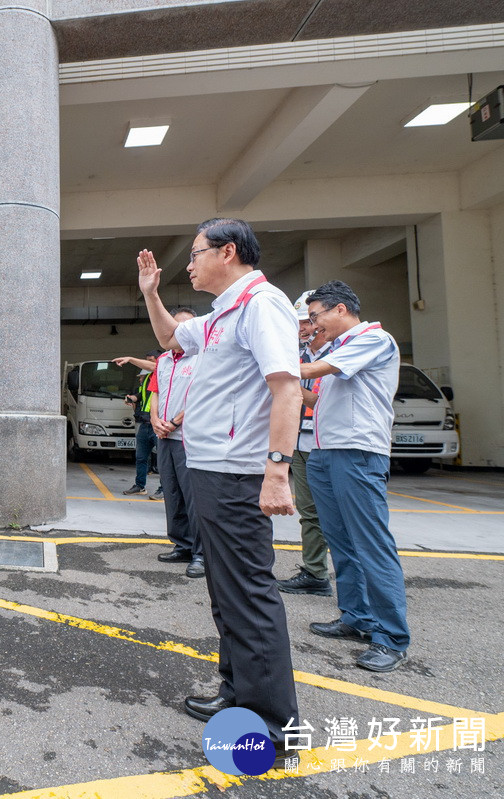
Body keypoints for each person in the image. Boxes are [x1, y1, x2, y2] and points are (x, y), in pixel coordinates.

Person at [136, 218, 300, 751]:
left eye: (196, 253)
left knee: (249, 594)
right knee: (224, 592)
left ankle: (272, 727)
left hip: (238, 471)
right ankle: (236, 693)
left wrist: (277, 469)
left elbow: (288, 388)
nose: (188, 263)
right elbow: (167, 337)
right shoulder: (217, 317)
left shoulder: (262, 304)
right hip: (207, 466)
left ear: (228, 252)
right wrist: (151, 293)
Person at [300, 281, 410, 673]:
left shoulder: (372, 339)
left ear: (341, 309)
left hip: (358, 453)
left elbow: (313, 368)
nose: (313, 326)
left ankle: (391, 637)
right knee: (342, 542)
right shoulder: (340, 350)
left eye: (315, 317)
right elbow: (319, 396)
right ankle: (356, 617)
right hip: (326, 451)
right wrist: (294, 389)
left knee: (371, 544)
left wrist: (275, 362)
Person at [276, 290, 334, 597]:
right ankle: (315, 572)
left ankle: (359, 586)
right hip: (300, 441)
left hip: (330, 444)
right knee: (310, 513)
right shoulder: (300, 357)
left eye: (306, 321)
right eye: (297, 322)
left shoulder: (339, 354)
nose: (301, 329)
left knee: (339, 515)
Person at [148, 308, 203, 577]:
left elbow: (201, 396)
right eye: (177, 326)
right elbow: (155, 393)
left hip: (188, 437)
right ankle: (182, 544)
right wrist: (155, 419)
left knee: (194, 496)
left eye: (187, 327)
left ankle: (201, 554)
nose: (182, 332)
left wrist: (176, 421)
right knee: (172, 493)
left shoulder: (202, 358)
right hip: (165, 436)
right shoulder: (164, 360)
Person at [116, 350, 161, 496]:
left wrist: (129, 357)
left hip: (158, 424)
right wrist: (132, 399)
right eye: (146, 360)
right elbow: (140, 395)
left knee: (162, 460)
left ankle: (165, 489)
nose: (147, 364)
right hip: (145, 424)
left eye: (151, 361)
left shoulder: (164, 375)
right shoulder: (147, 378)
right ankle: (140, 486)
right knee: (141, 457)